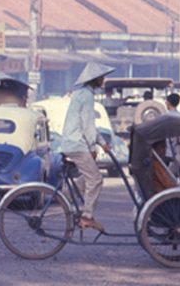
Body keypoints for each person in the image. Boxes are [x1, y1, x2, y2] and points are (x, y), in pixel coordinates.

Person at [61, 62, 114, 232]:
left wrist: (102, 143)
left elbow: (89, 125)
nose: (104, 80)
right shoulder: (86, 96)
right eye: (102, 77)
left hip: (73, 142)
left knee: (89, 176)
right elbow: (88, 126)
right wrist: (93, 147)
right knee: (96, 179)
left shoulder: (81, 94)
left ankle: (65, 196)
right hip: (77, 144)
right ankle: (87, 216)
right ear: (95, 79)